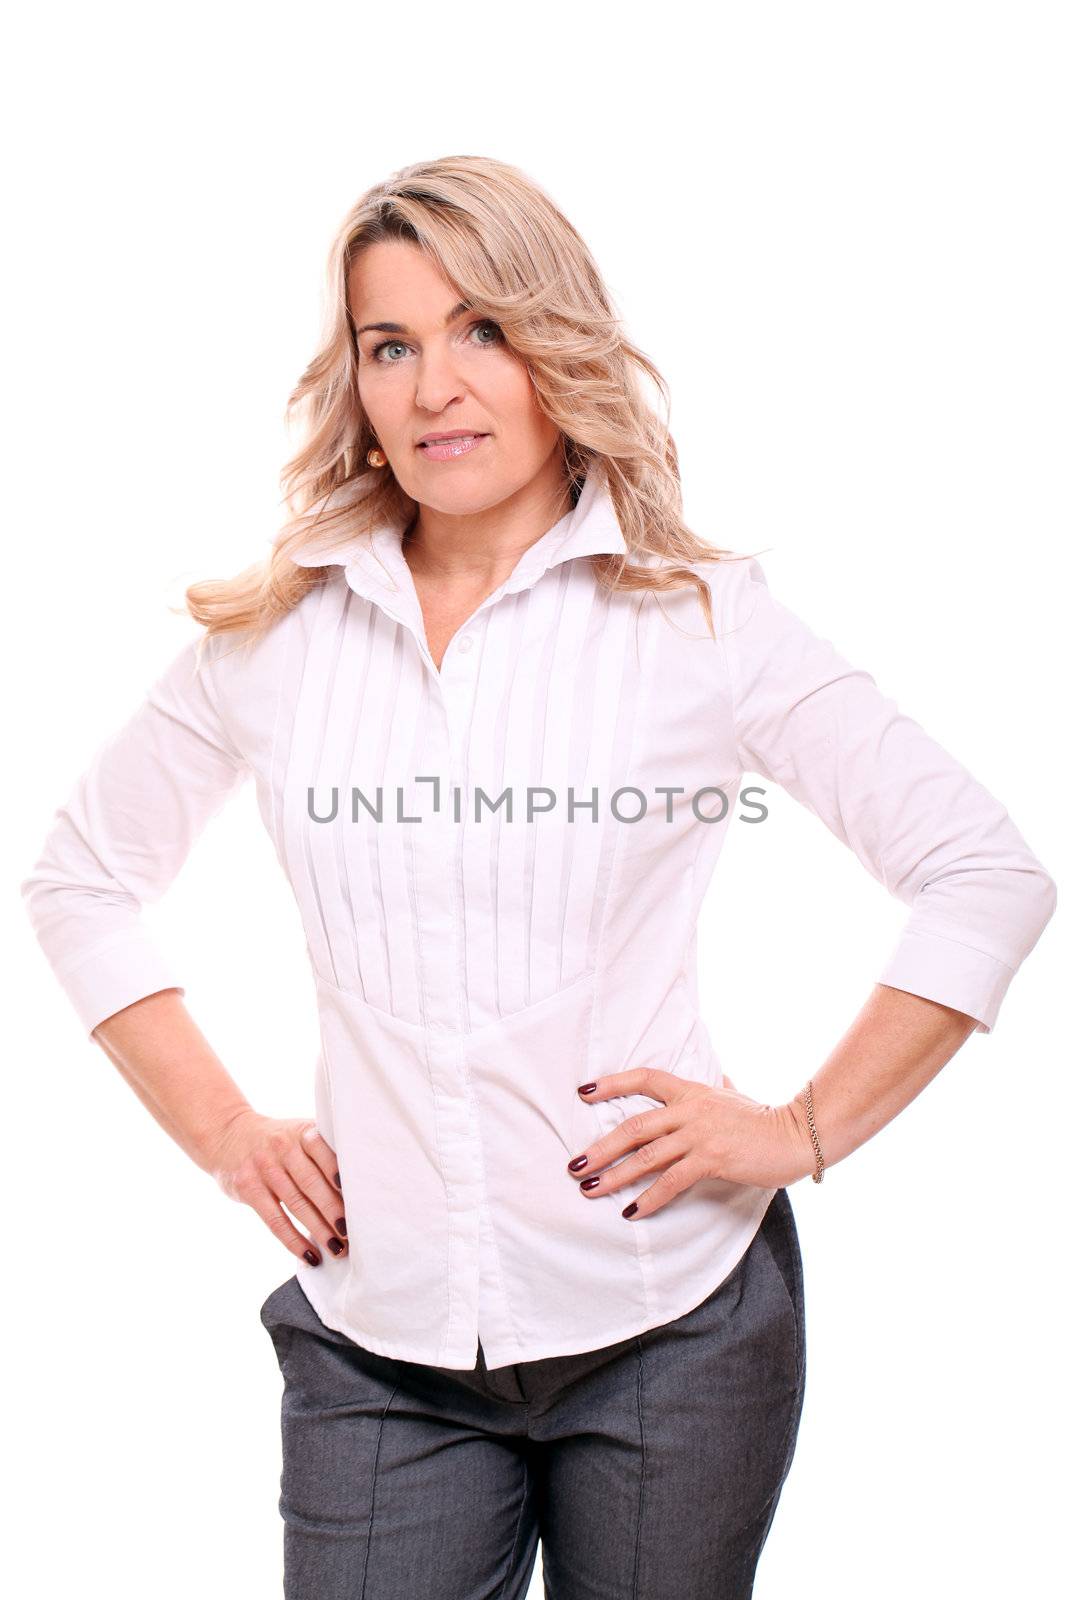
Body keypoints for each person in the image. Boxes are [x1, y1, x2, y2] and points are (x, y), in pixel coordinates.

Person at [21, 154, 1057, 1600]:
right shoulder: (273, 644)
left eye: (484, 329)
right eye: (394, 344)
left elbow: (981, 871)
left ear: (556, 347)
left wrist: (802, 1130)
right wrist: (224, 1133)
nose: (438, 384)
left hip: (673, 1331)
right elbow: (79, 878)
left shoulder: (702, 624)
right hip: (379, 1340)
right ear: (360, 387)